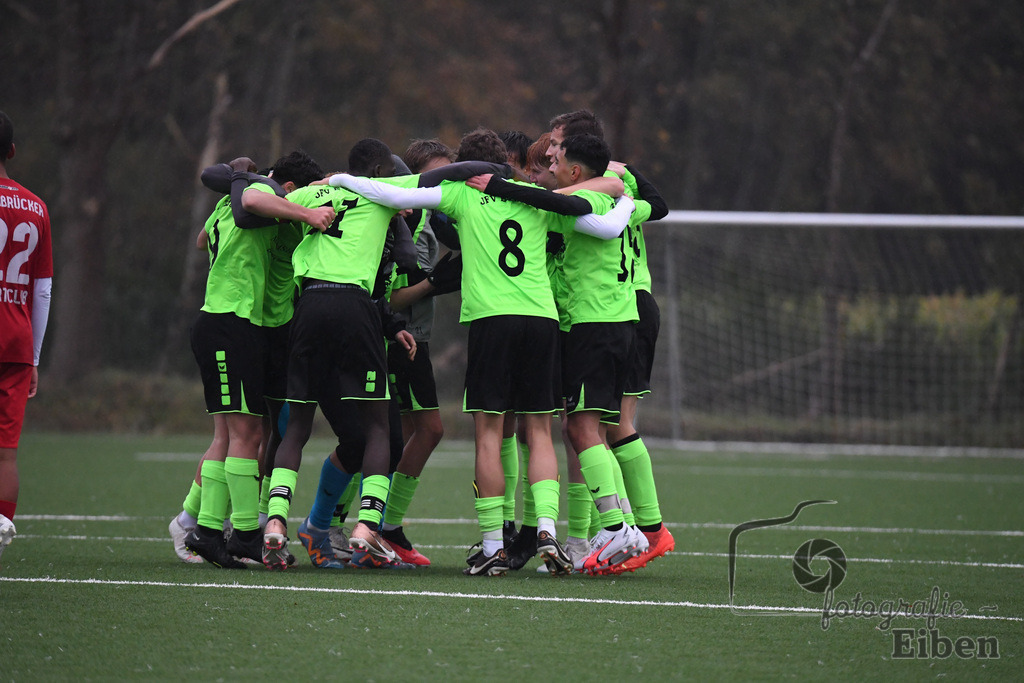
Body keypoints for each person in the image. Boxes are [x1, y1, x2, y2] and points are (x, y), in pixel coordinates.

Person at [325, 128, 634, 576]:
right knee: (540, 434)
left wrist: (337, 181)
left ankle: (494, 543)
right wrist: (624, 199)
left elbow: (387, 191)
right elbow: (605, 225)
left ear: (465, 166)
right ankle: (547, 529)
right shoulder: (537, 196)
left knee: (490, 434)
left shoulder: (461, 193)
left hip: (494, 321)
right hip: (542, 321)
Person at [468, 133, 646, 574]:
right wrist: (622, 191)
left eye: (549, 162)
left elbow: (610, 214)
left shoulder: (546, 204)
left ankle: (612, 526)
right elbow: (642, 201)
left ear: (571, 169)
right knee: (562, 429)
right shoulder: (575, 198)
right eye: (534, 165)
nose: (540, 172)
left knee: (579, 429)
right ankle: (566, 534)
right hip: (575, 321)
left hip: (588, 322)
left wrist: (508, 189)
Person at [182, 151, 332, 569]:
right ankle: (242, 532)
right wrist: (304, 213)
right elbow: (250, 202)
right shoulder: (255, 193)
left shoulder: (232, 200)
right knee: (246, 433)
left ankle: (211, 531)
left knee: (233, 435)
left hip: (234, 323)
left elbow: (201, 240)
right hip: (230, 321)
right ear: (287, 188)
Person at [0, 111, 53, 567]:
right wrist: (34, 355)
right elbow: (42, 287)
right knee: (6, 454)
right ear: (11, 151)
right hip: (16, 342)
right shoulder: (35, 206)